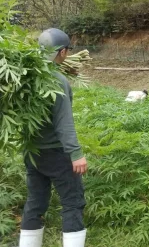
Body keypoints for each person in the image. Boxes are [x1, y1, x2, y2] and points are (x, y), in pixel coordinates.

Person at [19, 28, 87, 247]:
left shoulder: (26, 76)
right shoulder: (56, 80)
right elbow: (63, 121)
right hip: (57, 153)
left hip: (32, 151)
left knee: (35, 202)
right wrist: (75, 153)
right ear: (63, 52)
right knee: (72, 203)